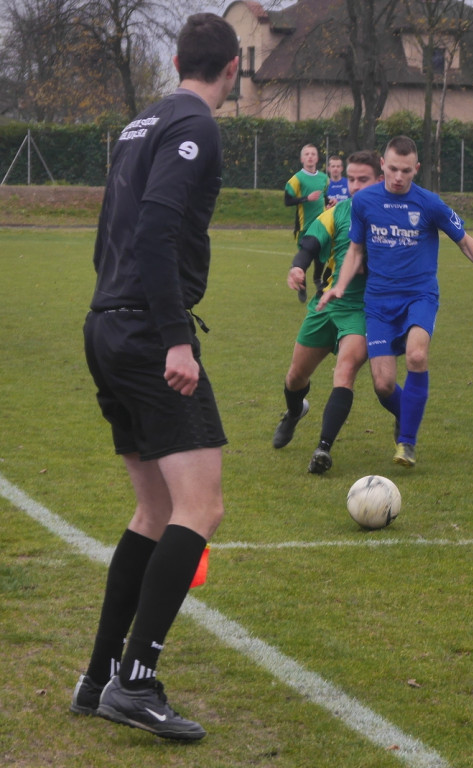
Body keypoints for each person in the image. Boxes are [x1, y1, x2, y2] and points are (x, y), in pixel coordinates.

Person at [70, 13, 238, 742]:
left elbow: (114, 225)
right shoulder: (196, 125)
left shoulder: (141, 123)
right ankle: (135, 682)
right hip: (146, 333)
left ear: (174, 62)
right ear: (233, 68)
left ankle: (98, 676)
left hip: (107, 322)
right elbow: (158, 225)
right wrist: (175, 338)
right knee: (200, 507)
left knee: (154, 511)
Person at [317, 135, 473, 468]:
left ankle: (407, 443)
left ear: (417, 168)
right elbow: (355, 250)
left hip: (419, 296)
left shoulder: (429, 203)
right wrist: (339, 286)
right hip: (378, 302)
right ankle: (407, 414)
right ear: (382, 165)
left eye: (406, 171)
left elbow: (465, 242)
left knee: (416, 354)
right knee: (383, 384)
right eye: (393, 169)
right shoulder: (365, 202)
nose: (398, 177)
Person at [272, 150, 382, 474]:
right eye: (351, 179)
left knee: (344, 371)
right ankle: (294, 412)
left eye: (364, 179)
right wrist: (298, 267)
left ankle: (323, 448)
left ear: (380, 180)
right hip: (326, 305)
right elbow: (310, 243)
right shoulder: (339, 212)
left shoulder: (392, 219)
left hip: (362, 310)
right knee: (295, 377)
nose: (356, 186)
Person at [285, 144, 329, 299]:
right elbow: (287, 201)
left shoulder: (324, 178)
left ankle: (317, 280)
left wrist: (330, 202)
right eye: (307, 154)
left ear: (317, 158)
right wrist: (306, 198)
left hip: (321, 225)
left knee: (321, 256)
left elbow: (324, 197)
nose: (310, 156)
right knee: (306, 257)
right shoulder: (296, 179)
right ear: (302, 159)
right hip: (304, 227)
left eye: (313, 154)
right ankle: (302, 286)